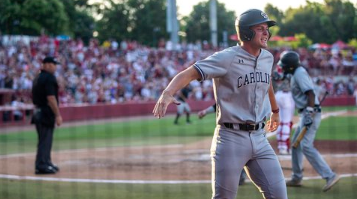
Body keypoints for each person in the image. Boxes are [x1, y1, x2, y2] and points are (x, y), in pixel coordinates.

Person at [153, 9, 287, 199]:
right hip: (231, 138)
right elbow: (190, 73)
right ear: (246, 33)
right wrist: (167, 93)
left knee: (279, 195)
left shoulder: (267, 57)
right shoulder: (226, 57)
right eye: (260, 29)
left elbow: (267, 82)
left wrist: (275, 111)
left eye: (267, 29)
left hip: (260, 137)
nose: (267, 33)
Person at [279, 51, 340, 192]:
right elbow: (288, 76)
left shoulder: (299, 73)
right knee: (296, 145)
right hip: (306, 113)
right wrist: (281, 76)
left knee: (305, 145)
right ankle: (297, 177)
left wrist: (309, 113)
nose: (284, 68)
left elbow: (310, 93)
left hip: (310, 113)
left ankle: (330, 175)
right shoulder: (295, 72)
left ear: (290, 66)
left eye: (285, 66)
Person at [198, 103, 246, 186]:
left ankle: (240, 175)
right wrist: (205, 111)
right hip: (228, 130)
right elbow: (219, 104)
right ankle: (237, 176)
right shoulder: (227, 95)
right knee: (231, 154)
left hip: (243, 129)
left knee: (239, 153)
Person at [31, 56, 62, 174]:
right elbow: (51, 98)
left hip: (38, 111)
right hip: (45, 113)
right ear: (48, 65)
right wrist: (58, 115)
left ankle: (46, 162)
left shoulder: (38, 77)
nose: (55, 67)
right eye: (54, 64)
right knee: (45, 140)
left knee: (44, 139)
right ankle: (41, 165)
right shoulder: (49, 78)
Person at [274, 79, 295, 155]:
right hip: (286, 95)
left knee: (281, 122)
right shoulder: (291, 69)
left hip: (277, 94)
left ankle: (281, 146)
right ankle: (284, 147)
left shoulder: (278, 69)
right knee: (286, 122)